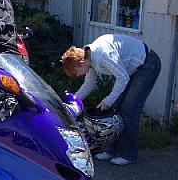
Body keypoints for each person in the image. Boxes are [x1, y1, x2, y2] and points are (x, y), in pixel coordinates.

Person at [61, 34, 161, 166]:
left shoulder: (103, 55)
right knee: (115, 109)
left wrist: (108, 100)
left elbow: (123, 78)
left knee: (129, 110)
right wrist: (73, 102)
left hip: (147, 65)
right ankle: (111, 150)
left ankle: (127, 154)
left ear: (81, 63)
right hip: (131, 70)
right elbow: (89, 84)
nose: (78, 75)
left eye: (76, 72)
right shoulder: (89, 60)